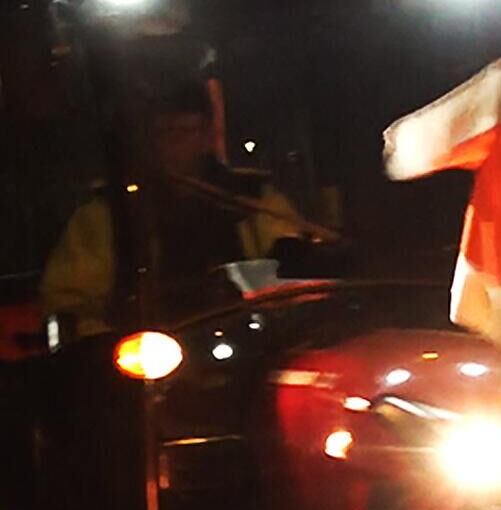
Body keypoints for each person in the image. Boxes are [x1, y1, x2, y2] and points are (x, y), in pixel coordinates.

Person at [42, 81, 308, 336]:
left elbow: (293, 270)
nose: (171, 145)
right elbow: (68, 303)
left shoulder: (253, 199)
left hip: (249, 345)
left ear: (206, 137)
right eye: (162, 133)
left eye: (183, 132)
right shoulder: (109, 213)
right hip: (148, 357)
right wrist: (112, 344)